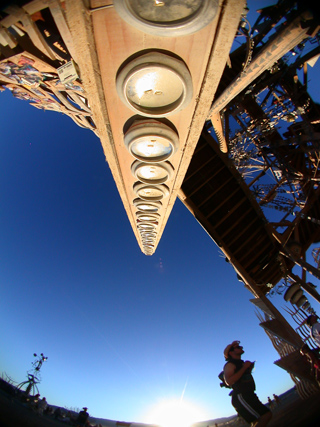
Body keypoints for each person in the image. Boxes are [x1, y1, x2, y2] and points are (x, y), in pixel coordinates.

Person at [223, 340, 272, 427]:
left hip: (248, 394)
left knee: (256, 421)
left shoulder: (241, 363)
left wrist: (248, 368)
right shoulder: (230, 365)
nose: (241, 347)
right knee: (266, 415)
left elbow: (241, 377)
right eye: (237, 347)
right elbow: (229, 381)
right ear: (231, 353)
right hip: (242, 396)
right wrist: (244, 367)